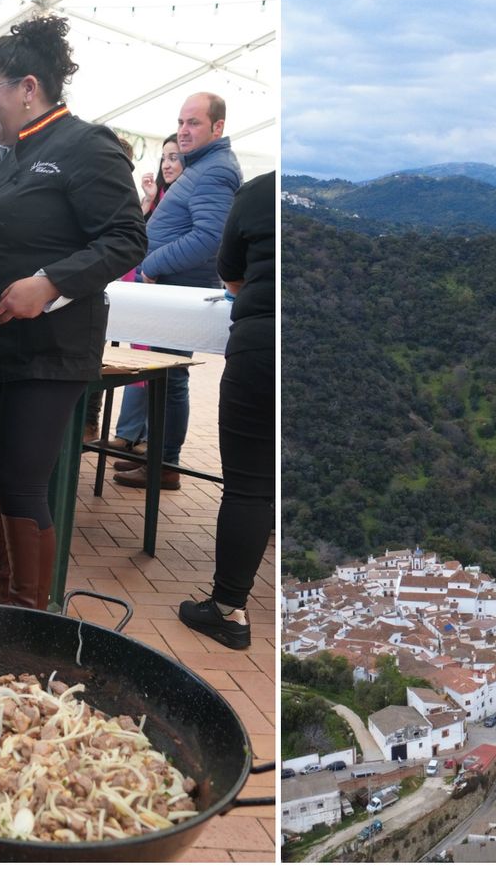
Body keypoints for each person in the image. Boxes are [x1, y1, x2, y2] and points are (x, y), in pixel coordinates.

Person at [0, 16, 146, 608]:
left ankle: (32, 607)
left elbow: (125, 238)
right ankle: (0, 583)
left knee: (19, 474)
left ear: (28, 88)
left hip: (52, 346)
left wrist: (48, 282)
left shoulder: (86, 146)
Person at [103, 92, 242, 490]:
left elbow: (209, 237)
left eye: (194, 123)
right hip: (170, 291)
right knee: (168, 378)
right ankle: (160, 460)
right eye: (181, 122)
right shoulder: (204, 167)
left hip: (177, 294)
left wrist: (151, 265)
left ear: (217, 127)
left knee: (172, 379)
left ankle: (165, 465)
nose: (183, 131)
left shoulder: (214, 171)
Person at [178, 171, 273, 649]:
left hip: (261, 347)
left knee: (249, 486)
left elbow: (232, 274)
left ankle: (228, 610)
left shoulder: (258, 192)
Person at [82, 135, 180, 440]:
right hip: (121, 284)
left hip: (142, 286)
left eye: (174, 157)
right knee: (95, 352)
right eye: (165, 157)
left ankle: (121, 433)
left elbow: (132, 237)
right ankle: (124, 434)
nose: (167, 163)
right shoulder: (157, 194)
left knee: (152, 369)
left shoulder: (182, 194)